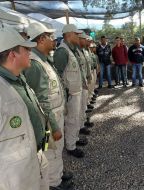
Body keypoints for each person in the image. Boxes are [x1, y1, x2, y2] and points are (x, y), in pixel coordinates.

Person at [0, 27, 49, 190]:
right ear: (12, 54)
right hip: (14, 176)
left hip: (36, 161)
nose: (30, 53)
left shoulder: (19, 79)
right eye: (26, 49)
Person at [25, 22, 73, 190]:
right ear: (41, 39)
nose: (54, 40)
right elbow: (40, 101)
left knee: (56, 150)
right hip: (48, 121)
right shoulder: (35, 65)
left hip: (55, 116)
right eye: (51, 37)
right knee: (50, 152)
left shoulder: (44, 60)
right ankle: (53, 183)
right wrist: (53, 127)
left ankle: (57, 175)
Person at [53, 24, 86, 158]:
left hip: (75, 91)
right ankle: (71, 146)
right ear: (69, 35)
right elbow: (58, 74)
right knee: (71, 119)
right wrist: (65, 93)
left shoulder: (71, 49)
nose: (78, 36)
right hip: (70, 93)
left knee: (75, 118)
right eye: (76, 34)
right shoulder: (62, 51)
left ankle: (75, 139)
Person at [77, 32, 92, 136]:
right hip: (75, 86)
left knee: (82, 106)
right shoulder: (64, 51)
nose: (88, 42)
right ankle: (72, 143)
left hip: (82, 81)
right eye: (86, 40)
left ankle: (82, 125)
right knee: (76, 111)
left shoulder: (82, 50)